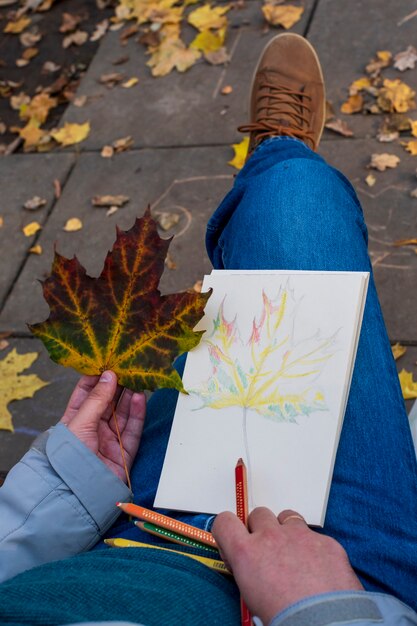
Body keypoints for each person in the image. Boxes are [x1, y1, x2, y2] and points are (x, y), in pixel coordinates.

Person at [0, 32, 417, 626]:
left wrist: (61, 489)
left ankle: (273, 152)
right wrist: (325, 608)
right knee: (302, 197)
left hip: (121, 527)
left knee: (240, 282)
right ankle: (279, 156)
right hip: (338, 579)